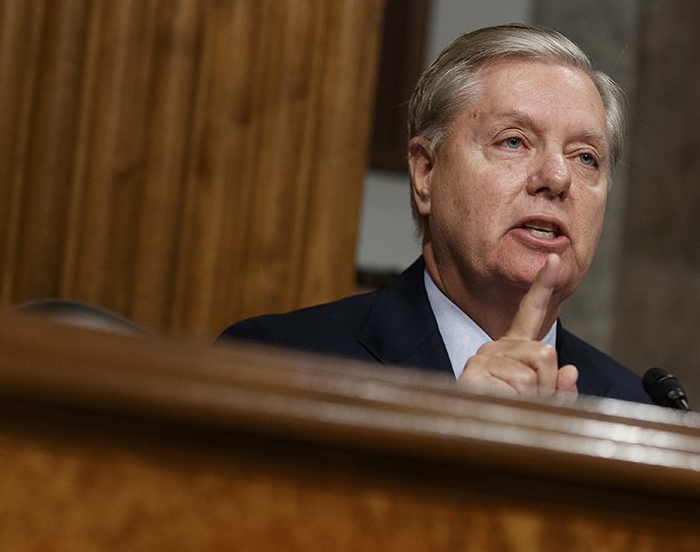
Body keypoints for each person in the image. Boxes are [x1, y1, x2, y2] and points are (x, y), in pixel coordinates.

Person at [220, 24, 651, 405]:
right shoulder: (275, 362)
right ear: (425, 172)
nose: (557, 177)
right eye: (513, 141)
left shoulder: (643, 411)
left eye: (586, 157)